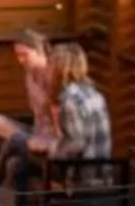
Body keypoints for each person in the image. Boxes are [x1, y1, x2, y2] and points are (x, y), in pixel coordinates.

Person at [0, 28, 62, 187]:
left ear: (39, 51)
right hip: (37, 132)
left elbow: (58, 117)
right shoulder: (29, 76)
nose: (21, 60)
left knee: (13, 149)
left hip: (52, 139)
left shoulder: (54, 76)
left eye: (25, 55)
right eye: (18, 56)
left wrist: (45, 139)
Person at [45, 41, 112, 173]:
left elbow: (77, 143)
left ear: (59, 70)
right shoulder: (94, 94)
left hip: (83, 180)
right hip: (103, 174)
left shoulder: (70, 100)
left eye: (50, 65)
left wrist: (55, 151)